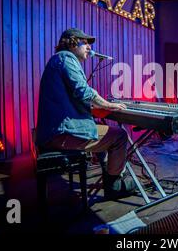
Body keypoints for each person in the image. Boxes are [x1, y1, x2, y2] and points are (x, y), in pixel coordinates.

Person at [36, 28, 136, 200]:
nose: (89, 47)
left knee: (101, 129)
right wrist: (109, 104)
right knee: (120, 136)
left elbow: (74, 97)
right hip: (62, 133)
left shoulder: (58, 60)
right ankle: (114, 185)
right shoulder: (66, 58)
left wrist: (98, 107)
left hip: (54, 131)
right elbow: (83, 91)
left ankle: (109, 176)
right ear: (72, 42)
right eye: (85, 43)